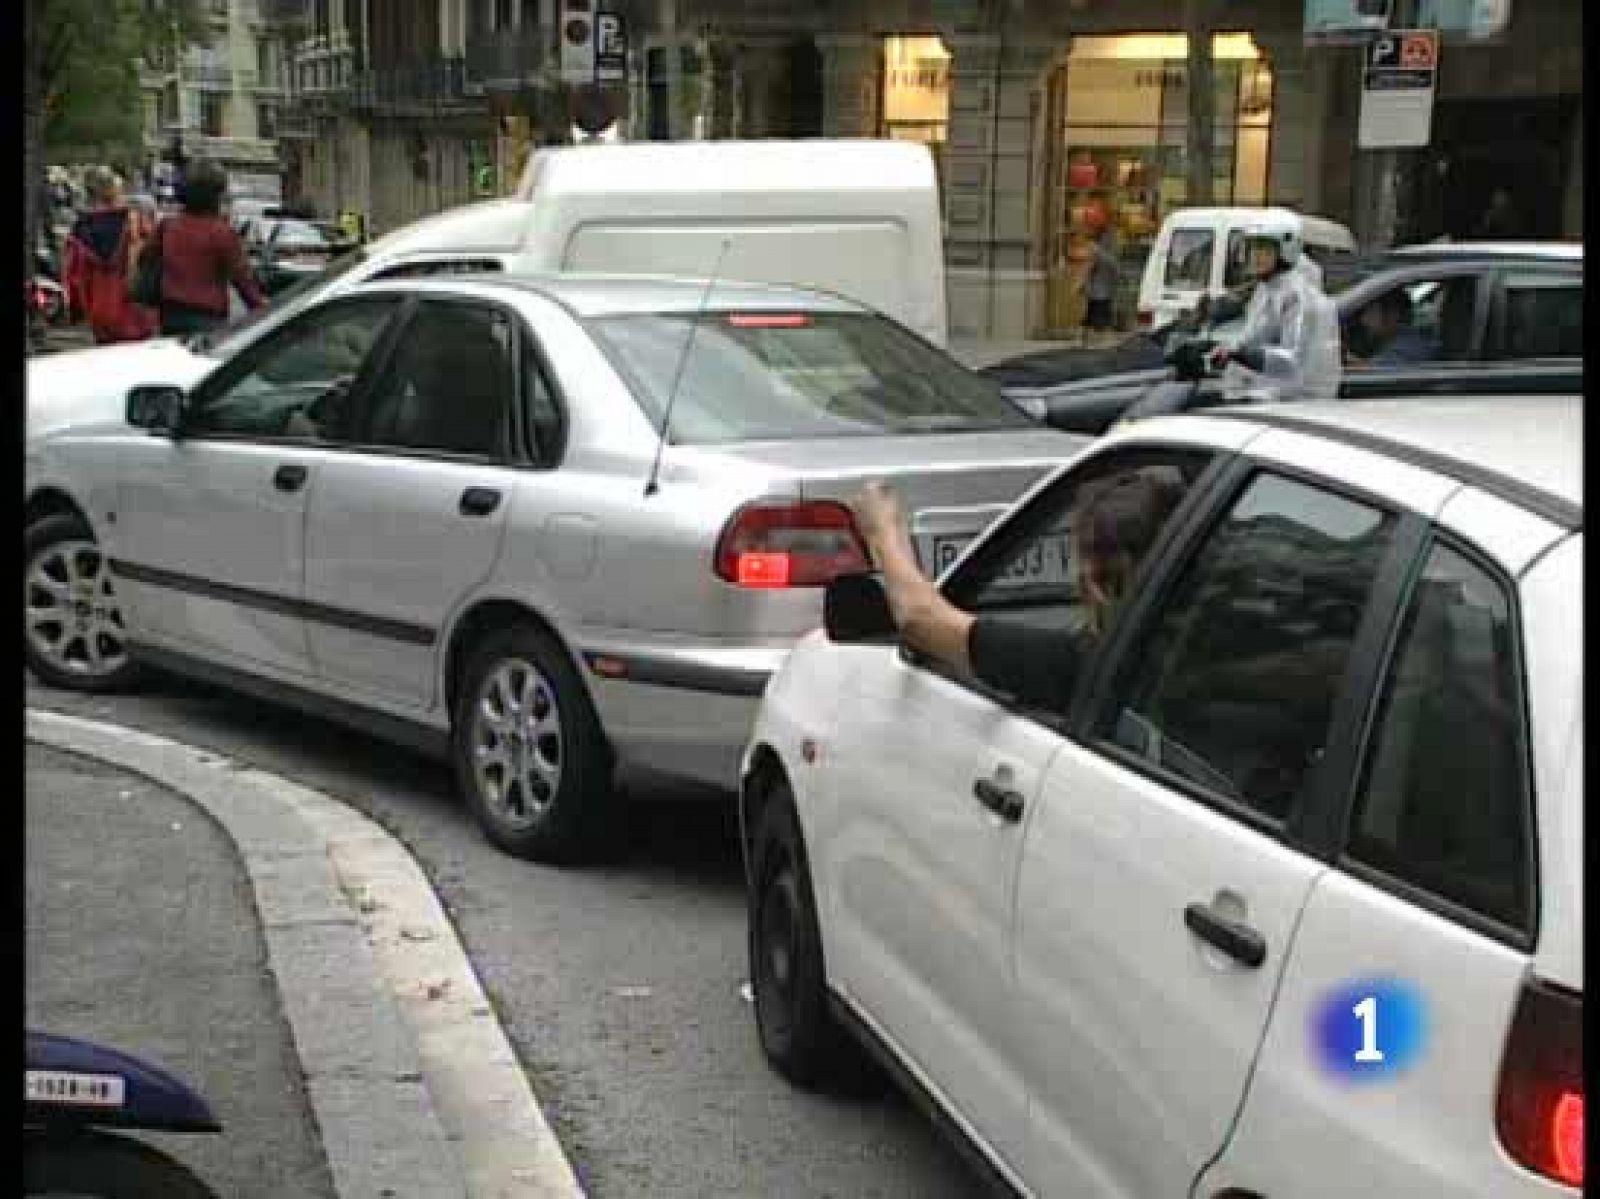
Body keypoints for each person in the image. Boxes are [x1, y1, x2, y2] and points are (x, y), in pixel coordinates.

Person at [849, 468, 1188, 710]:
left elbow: (919, 619)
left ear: (1096, 581)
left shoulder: (1078, 666)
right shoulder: (1208, 652)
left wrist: (883, 529)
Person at [1204, 211, 1341, 402]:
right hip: (1262, 398)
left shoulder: (1300, 299)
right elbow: (1252, 338)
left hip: (1296, 408)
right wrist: (1220, 351)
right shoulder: (1267, 289)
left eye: (1264, 248)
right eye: (1251, 248)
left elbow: (1292, 364)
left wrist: (1240, 355)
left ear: (1287, 250)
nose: (1255, 256)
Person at [144, 158, 267, 337]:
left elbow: (146, 259)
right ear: (215, 196)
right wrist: (266, 312)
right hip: (208, 319)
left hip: (170, 315)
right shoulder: (222, 233)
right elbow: (242, 280)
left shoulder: (167, 226)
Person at [61, 166, 158, 344]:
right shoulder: (135, 223)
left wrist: (75, 311)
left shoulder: (80, 230)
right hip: (134, 308)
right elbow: (151, 259)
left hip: (99, 309)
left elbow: (74, 275)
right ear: (115, 191)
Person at [1347, 288, 1437, 367]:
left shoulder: (1410, 344)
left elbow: (1378, 371)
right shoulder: (1391, 337)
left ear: (1393, 314)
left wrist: (1346, 359)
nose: (1364, 318)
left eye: (1370, 311)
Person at [1083, 228, 1120, 333]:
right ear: (1102, 239)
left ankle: (1094, 339)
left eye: (1111, 238)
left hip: (1107, 291)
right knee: (1095, 318)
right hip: (1098, 292)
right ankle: (1091, 340)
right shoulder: (1098, 252)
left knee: (1099, 318)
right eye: (1108, 238)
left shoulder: (1110, 254)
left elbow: (1116, 271)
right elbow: (1089, 268)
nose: (1111, 240)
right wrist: (1083, 284)